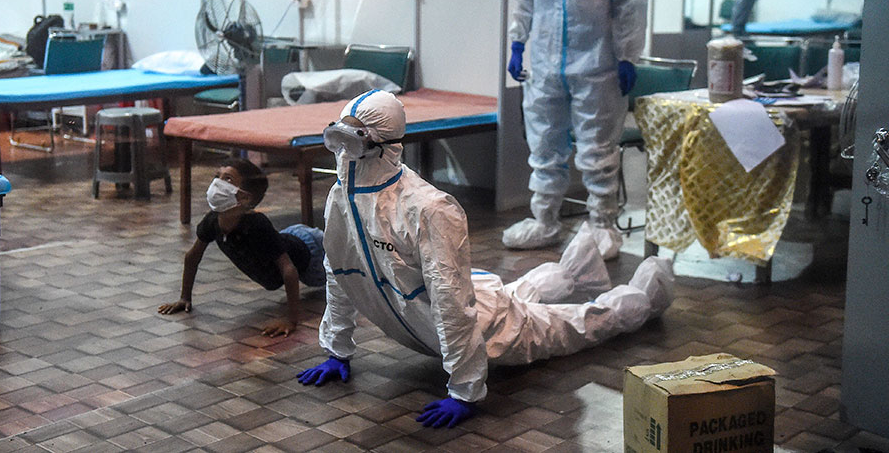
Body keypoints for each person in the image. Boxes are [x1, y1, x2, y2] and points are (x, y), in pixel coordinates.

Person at [296, 90, 674, 429]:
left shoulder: (427, 208)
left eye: (353, 137)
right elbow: (339, 272)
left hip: (492, 331)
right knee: (507, 297)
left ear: (381, 143)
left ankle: (640, 299)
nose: (343, 149)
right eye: (338, 135)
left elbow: (451, 302)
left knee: (576, 325)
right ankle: (572, 271)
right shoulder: (341, 198)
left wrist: (464, 387)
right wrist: (337, 348)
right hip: (468, 304)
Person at [504, 0, 648, 257]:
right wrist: (518, 40)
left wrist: (627, 53)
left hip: (596, 61)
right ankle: (544, 219)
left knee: (597, 144)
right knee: (544, 142)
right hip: (547, 61)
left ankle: (602, 224)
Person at [157, 157, 325, 338]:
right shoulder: (213, 220)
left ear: (244, 197)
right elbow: (192, 257)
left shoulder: (257, 225)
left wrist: (291, 321)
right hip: (288, 240)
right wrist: (184, 298)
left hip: (311, 255)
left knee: (348, 267)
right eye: (217, 176)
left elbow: (289, 270)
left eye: (227, 179)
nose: (217, 183)